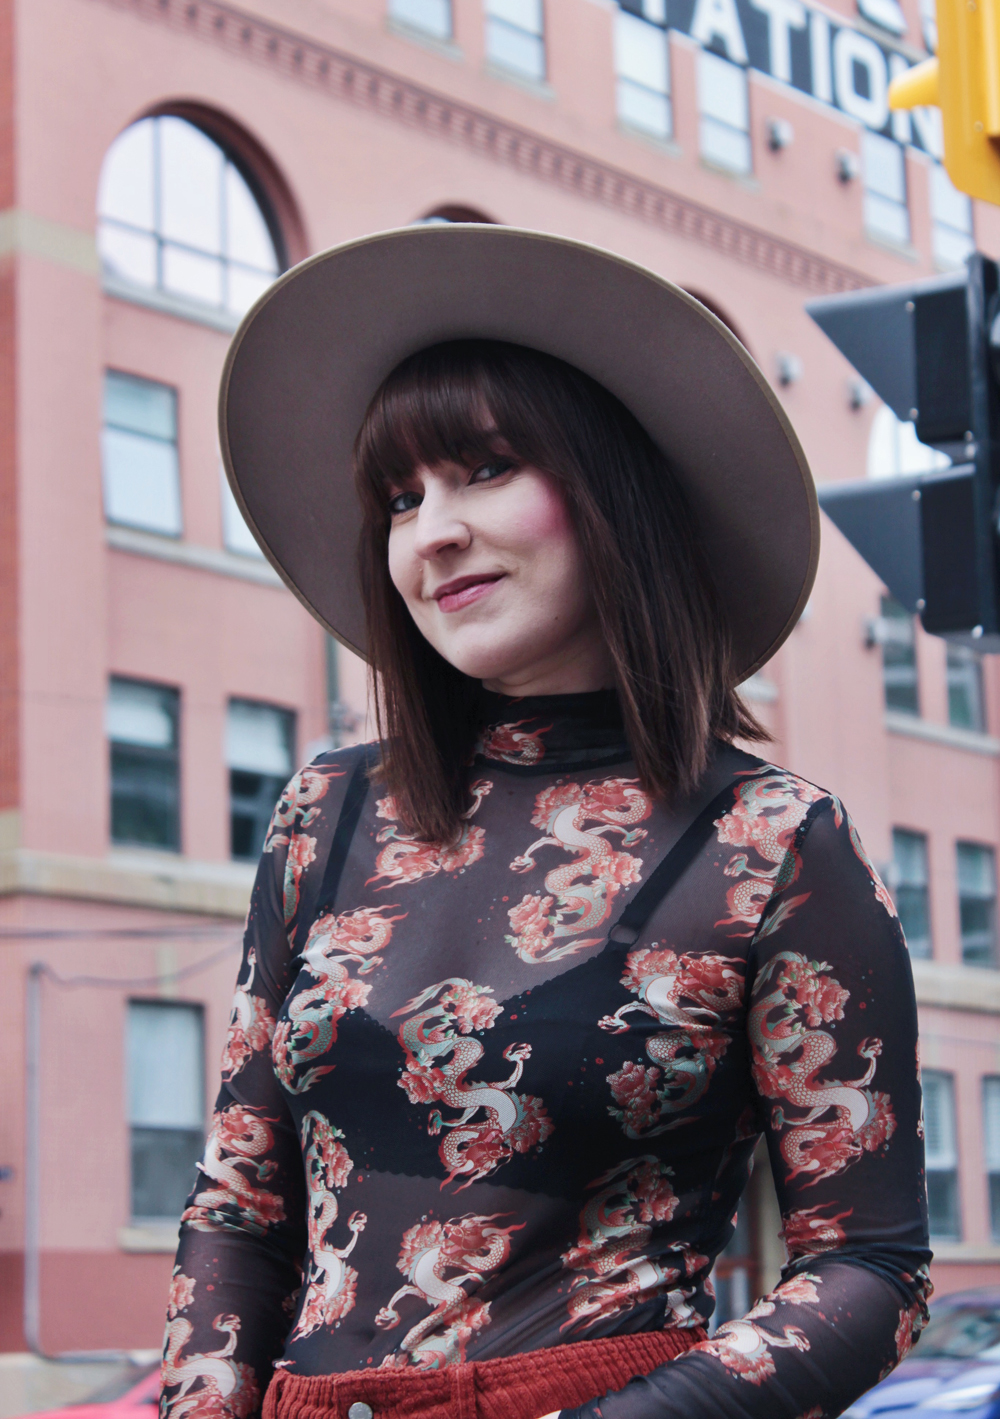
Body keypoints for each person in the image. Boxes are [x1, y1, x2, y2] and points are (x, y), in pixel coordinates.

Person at [161, 225, 930, 1419]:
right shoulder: (326, 812)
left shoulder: (772, 844)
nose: (432, 532)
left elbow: (869, 1267)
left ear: (614, 493)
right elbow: (238, 1206)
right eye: (399, 499)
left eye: (484, 469)